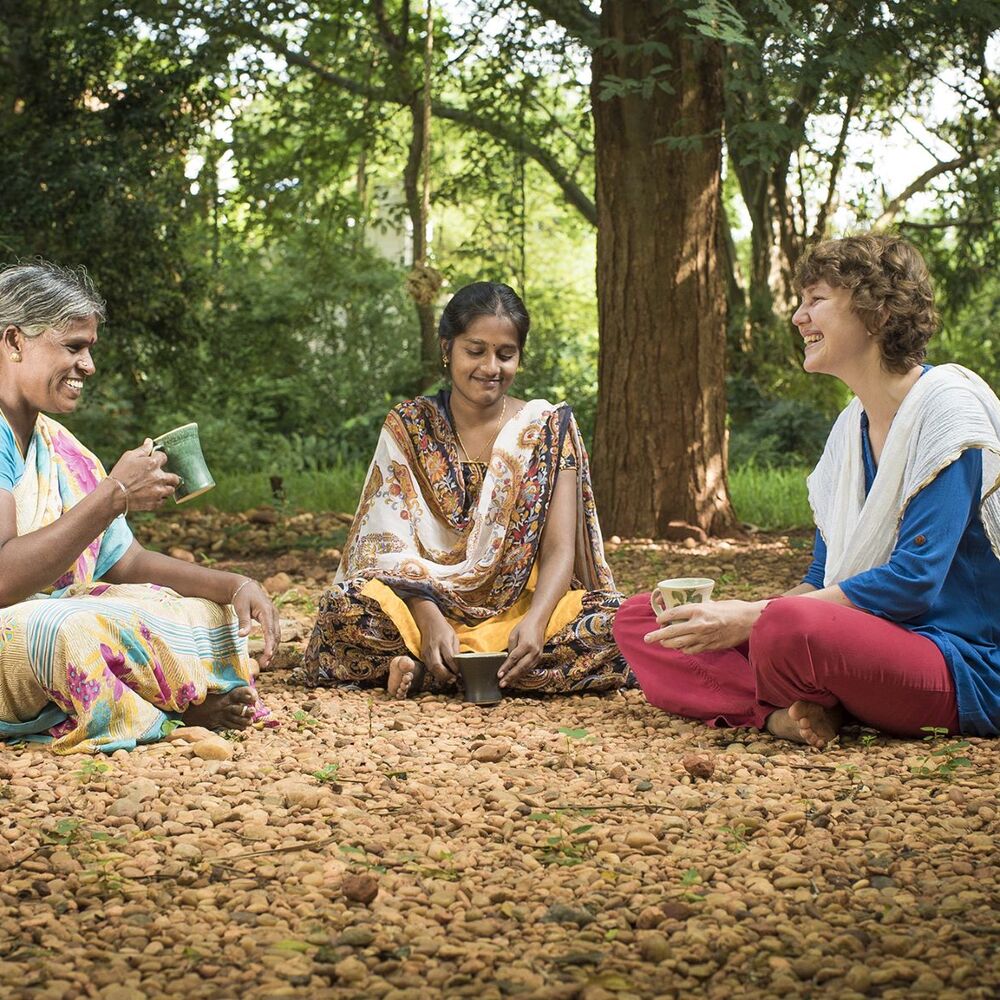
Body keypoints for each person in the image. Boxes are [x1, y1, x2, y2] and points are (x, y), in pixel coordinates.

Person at [613, 232, 1000, 746]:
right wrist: (729, 618)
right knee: (644, 615)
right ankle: (784, 715)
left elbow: (913, 581)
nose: (798, 316)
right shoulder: (849, 432)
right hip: (856, 647)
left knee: (785, 625)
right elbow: (820, 577)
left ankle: (785, 700)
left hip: (953, 661)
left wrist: (754, 617)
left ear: (879, 312)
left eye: (816, 300)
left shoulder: (947, 412)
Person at [0, 262, 280, 753]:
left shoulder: (60, 447)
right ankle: (165, 712)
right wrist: (112, 495)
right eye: (73, 347)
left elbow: (125, 562)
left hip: (38, 618)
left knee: (200, 611)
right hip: (19, 621)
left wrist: (233, 584)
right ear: (15, 341)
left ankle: (158, 702)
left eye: (89, 349)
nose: (88, 365)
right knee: (67, 630)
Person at [300, 281, 630, 698]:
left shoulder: (546, 429)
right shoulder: (410, 426)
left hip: (518, 608)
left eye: (505, 354)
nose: (490, 367)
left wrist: (537, 622)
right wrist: (427, 616)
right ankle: (468, 666)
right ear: (447, 348)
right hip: (423, 604)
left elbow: (559, 549)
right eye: (475, 351)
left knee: (614, 623)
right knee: (344, 608)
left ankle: (426, 670)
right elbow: (384, 548)